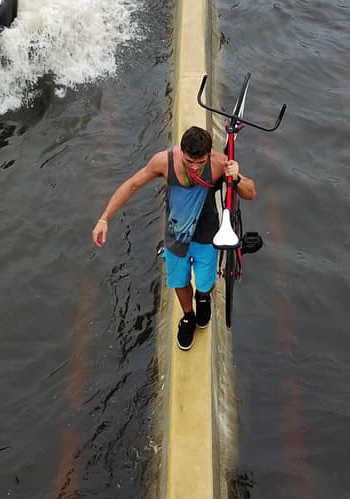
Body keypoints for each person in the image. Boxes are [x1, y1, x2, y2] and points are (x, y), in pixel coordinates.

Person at [92, 126, 256, 351]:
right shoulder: (163, 162)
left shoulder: (220, 163)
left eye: (200, 162)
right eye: (190, 161)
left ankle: (203, 299)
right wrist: (104, 218)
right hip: (175, 237)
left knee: (205, 283)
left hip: (207, 236)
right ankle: (188, 316)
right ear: (181, 152)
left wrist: (235, 177)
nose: (195, 167)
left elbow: (250, 193)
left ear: (209, 154)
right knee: (179, 281)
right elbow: (132, 185)